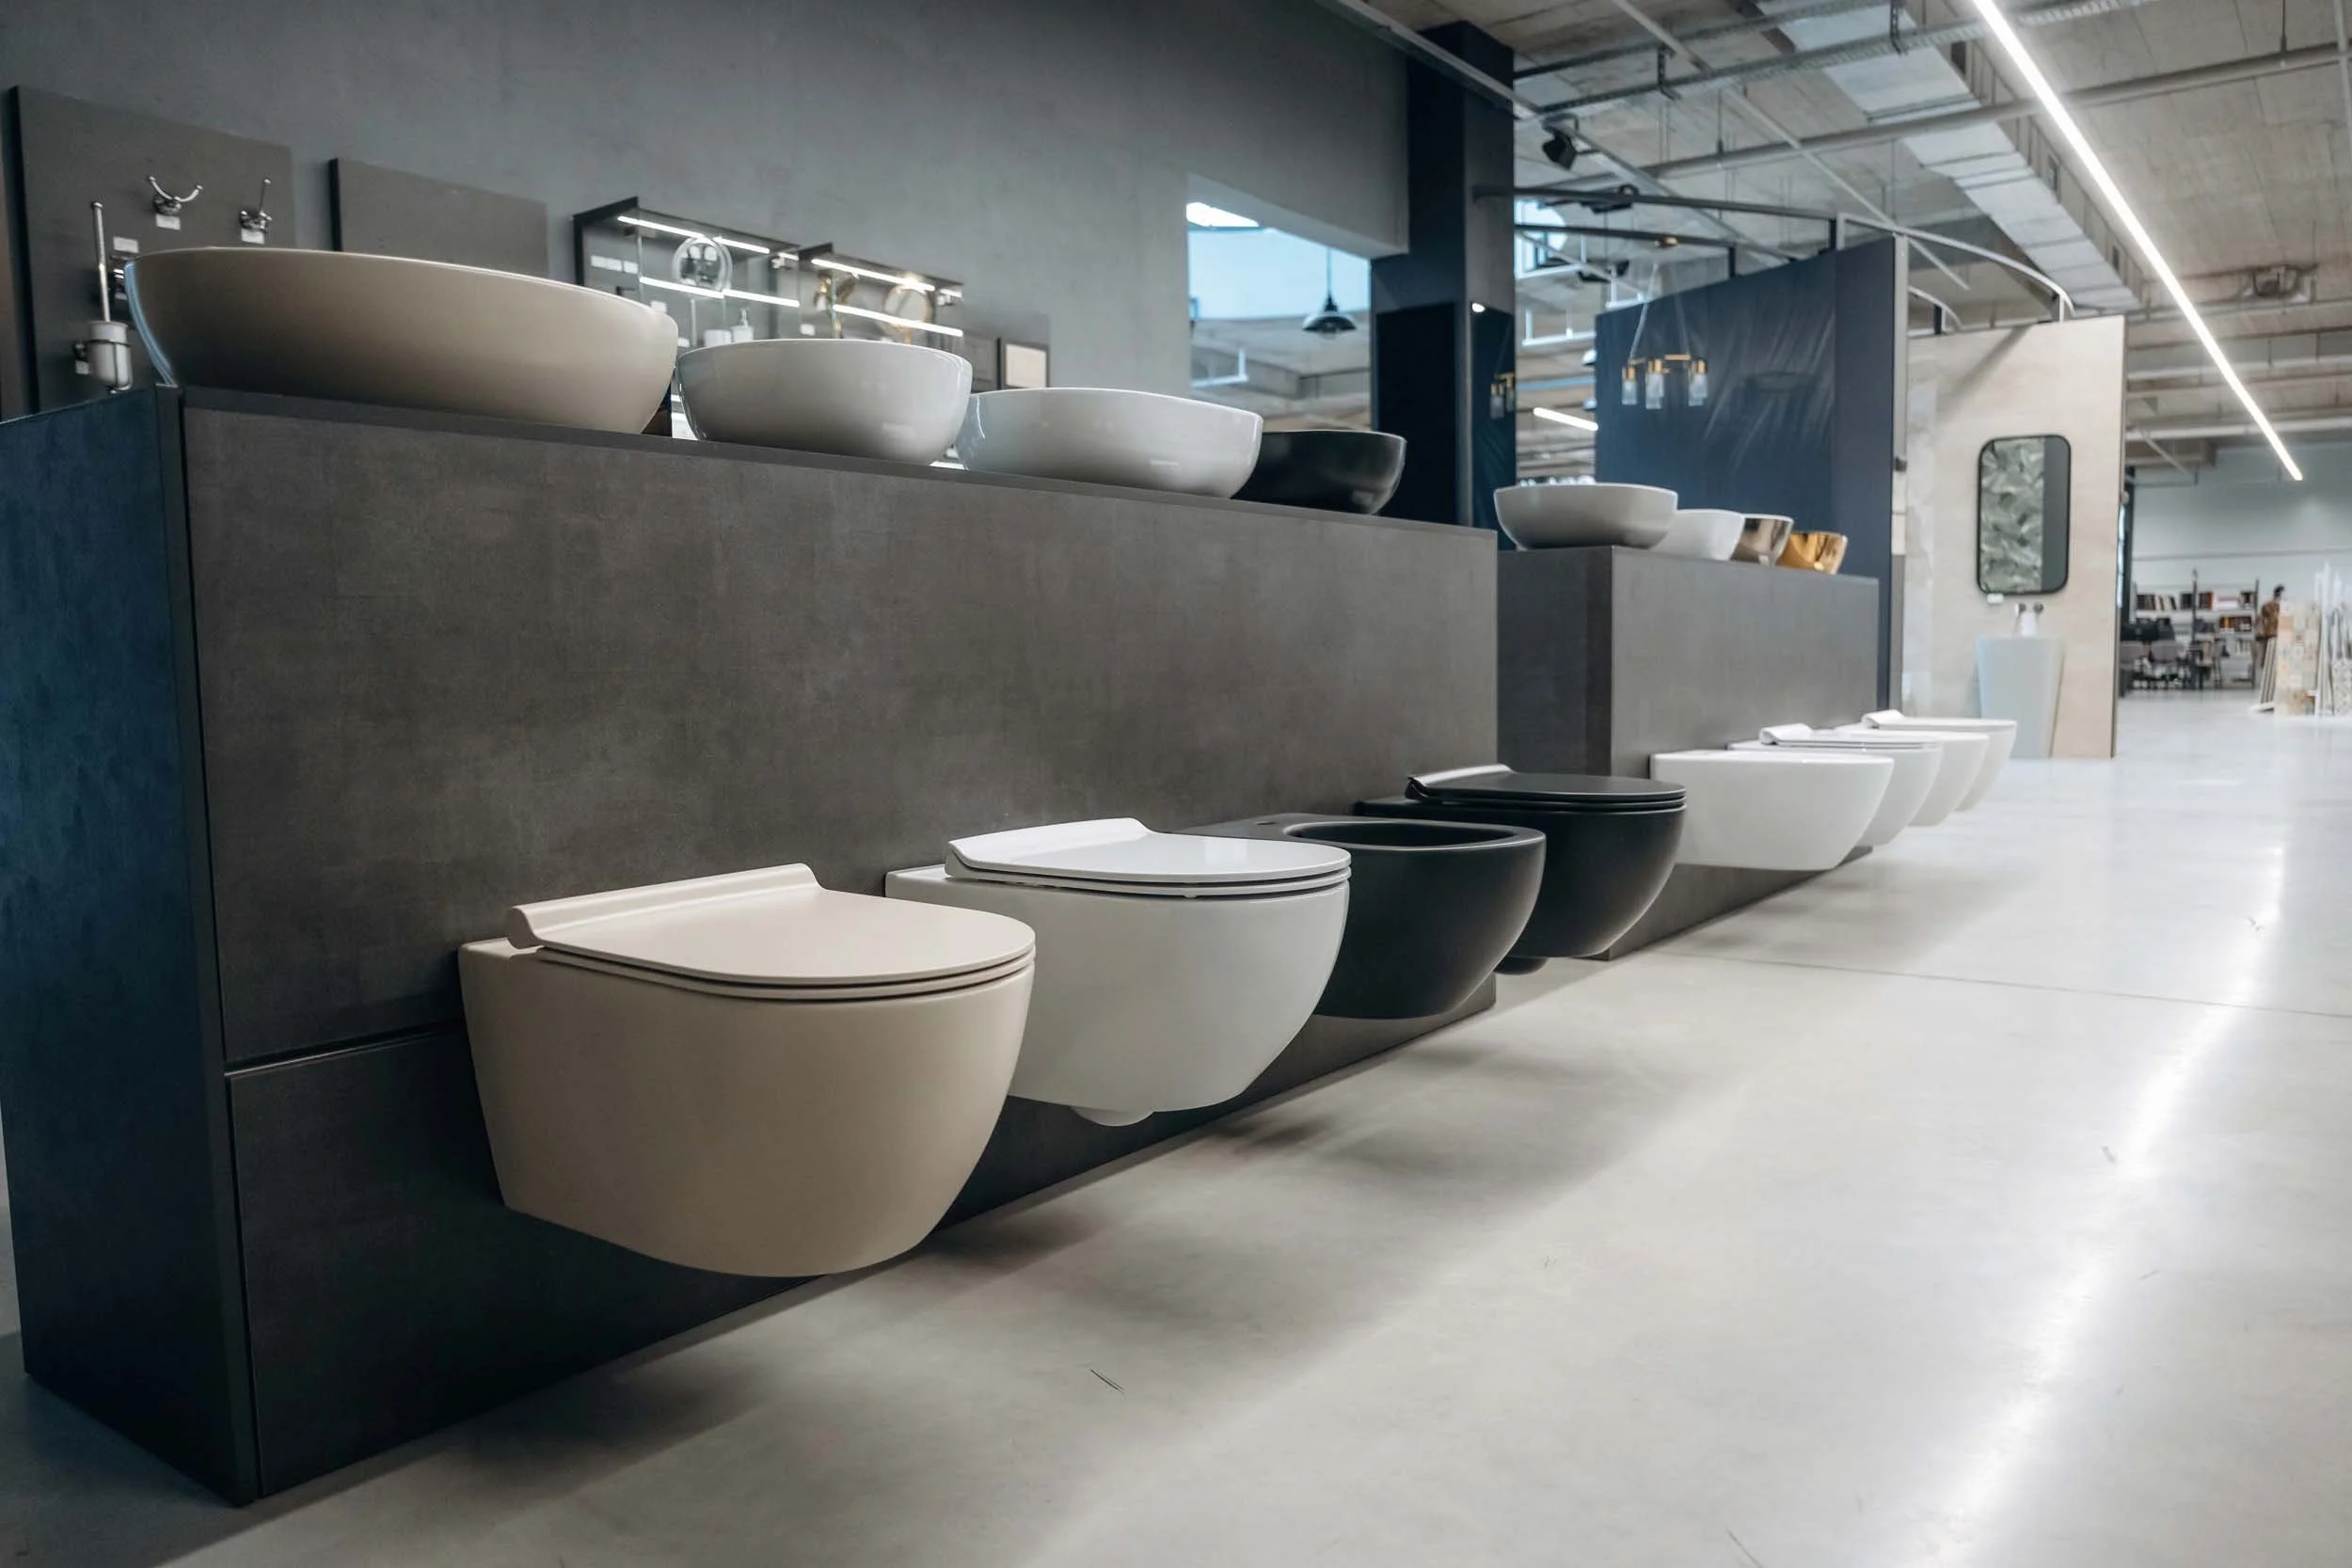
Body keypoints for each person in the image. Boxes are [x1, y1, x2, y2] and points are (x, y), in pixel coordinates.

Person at [2255, 585, 2284, 698]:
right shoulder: (2272, 606)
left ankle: (2268, 684)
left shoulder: (2268, 606)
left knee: (2268, 661)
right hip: (2273, 635)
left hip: (2270, 636)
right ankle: (2269, 684)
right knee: (2271, 660)